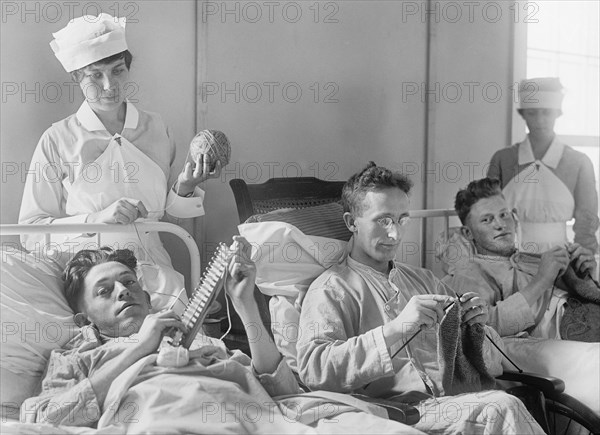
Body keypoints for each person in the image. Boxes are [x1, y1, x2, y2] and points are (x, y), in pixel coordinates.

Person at [19, 238, 425, 434]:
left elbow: (282, 387)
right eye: (104, 291)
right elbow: (43, 418)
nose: (123, 291)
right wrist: (141, 348)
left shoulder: (198, 338)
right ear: (84, 317)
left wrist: (246, 303)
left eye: (128, 281)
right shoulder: (79, 353)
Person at [296, 162, 545, 435]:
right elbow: (314, 371)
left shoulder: (423, 280)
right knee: (502, 407)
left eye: (402, 219)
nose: (395, 234)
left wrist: (478, 326)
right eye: (383, 220)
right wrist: (396, 329)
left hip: (451, 403)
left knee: (512, 400)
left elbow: (486, 361)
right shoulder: (331, 289)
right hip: (390, 414)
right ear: (351, 223)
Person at [18, 14, 220, 305]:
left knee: (176, 339)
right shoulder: (58, 139)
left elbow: (166, 213)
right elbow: (31, 234)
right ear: (76, 76)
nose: (109, 85)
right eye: (95, 75)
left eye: (118, 71)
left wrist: (186, 185)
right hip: (95, 280)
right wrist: (95, 220)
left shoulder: (156, 128)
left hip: (157, 272)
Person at [442, 177, 598, 340]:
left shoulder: (532, 258)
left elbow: (585, 293)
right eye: (487, 219)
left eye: (504, 214)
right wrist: (542, 280)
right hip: (571, 328)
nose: (500, 224)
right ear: (468, 233)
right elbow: (485, 325)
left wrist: (585, 273)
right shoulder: (469, 274)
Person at [488, 77, 599, 254]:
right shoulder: (503, 159)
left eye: (546, 112)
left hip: (559, 258)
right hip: (509, 256)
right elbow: (488, 212)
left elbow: (587, 219)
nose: (540, 120)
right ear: (523, 115)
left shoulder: (578, 162)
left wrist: (584, 258)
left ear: (557, 113)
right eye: (532, 113)